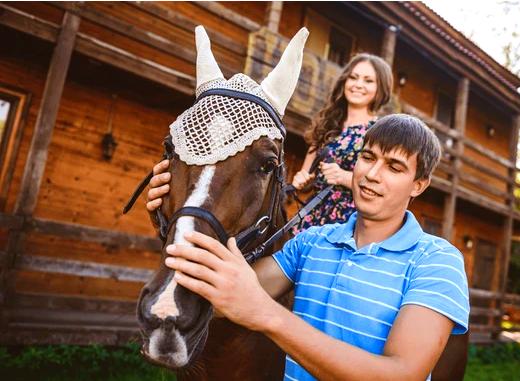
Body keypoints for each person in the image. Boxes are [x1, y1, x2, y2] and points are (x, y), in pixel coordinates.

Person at [147, 114, 470, 381]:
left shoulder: (437, 261)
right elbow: (222, 294)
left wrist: (269, 316)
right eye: (368, 157)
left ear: (419, 184)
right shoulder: (311, 243)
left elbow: (402, 374)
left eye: (394, 167)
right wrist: (176, 221)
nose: (372, 174)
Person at [290, 53, 393, 232]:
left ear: (380, 88)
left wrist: (344, 177)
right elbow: (307, 178)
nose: (358, 85)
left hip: (350, 223)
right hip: (312, 216)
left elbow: (384, 186)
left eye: (368, 81)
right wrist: (301, 180)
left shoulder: (380, 131)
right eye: (353, 77)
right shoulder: (326, 125)